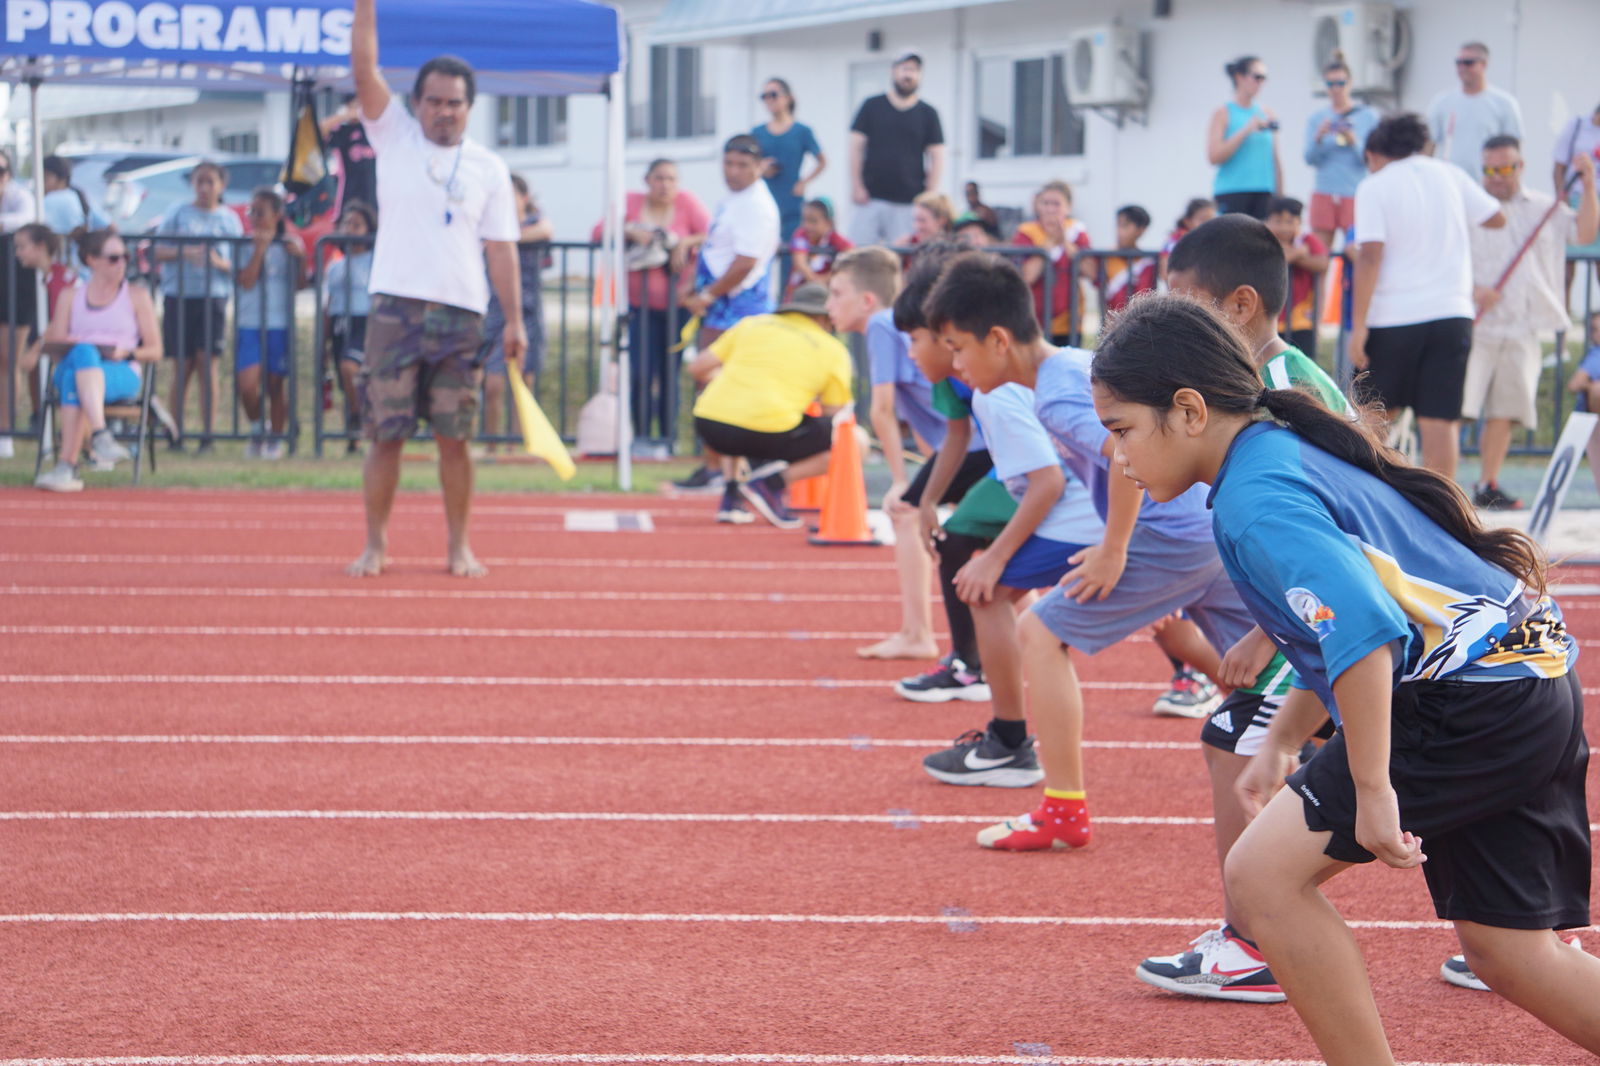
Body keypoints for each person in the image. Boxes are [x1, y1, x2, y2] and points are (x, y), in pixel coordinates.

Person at [1090, 292, 1597, 1066]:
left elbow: (1363, 634)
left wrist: (1372, 787)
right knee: (1510, 952)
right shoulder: (1277, 447)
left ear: (1188, 410)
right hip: (1526, 680)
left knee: (1261, 882)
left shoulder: (1254, 500)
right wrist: (1284, 739)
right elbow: (1339, 627)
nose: (1114, 455)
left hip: (1471, 702)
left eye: (1121, 429)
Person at [917, 252, 1256, 837]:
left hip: (1171, 534)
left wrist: (1114, 548)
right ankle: (1321, 762)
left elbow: (1127, 459)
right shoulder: (1071, 366)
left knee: (1040, 632)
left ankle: (1064, 808)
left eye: (957, 347)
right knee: (1254, 671)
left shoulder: (1055, 396)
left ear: (998, 340)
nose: (954, 364)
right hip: (1204, 526)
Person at [1138, 212, 1351, 1004]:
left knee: (1236, 733)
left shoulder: (1284, 391)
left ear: (1238, 307)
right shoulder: (1272, 376)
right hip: (1334, 616)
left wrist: (1268, 632)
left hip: (1355, 621)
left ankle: (1253, 940)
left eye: (1186, 304)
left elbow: (1337, 528)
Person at [346, 0, 524, 579]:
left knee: (455, 439)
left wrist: (515, 321)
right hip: (395, 309)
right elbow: (364, 67)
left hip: (461, 316)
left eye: (455, 102)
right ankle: (375, 544)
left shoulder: (489, 169)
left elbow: (501, 249)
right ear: (415, 103)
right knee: (386, 436)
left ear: (469, 107)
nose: (444, 111)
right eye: (434, 100)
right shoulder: (394, 136)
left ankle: (459, 547)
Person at [829, 244, 984, 661]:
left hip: (977, 444)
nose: (829, 305)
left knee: (907, 512)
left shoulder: (882, 324)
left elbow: (881, 409)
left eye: (836, 293)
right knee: (980, 539)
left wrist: (901, 481)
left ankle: (918, 633)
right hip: (970, 443)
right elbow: (925, 406)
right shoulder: (893, 327)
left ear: (867, 298)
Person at [1350, 112, 1506, 480]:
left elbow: (1370, 255)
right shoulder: (1449, 173)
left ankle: (1373, 498)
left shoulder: (1375, 185)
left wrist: (1358, 326)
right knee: (1440, 420)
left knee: (1373, 417)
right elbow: (1496, 217)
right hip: (1452, 313)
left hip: (1393, 315)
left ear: (1374, 153)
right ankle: (1445, 514)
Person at [891, 241, 1006, 703]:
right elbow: (955, 436)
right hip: (1018, 468)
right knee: (958, 540)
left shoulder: (1003, 375)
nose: (911, 354)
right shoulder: (952, 379)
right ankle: (970, 663)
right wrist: (926, 502)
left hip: (1055, 471)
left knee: (1142, 558)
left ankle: (1189, 669)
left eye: (916, 340)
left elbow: (1047, 471)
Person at [1466, 138, 1598, 509]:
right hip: (1477, 324)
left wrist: (1588, 185)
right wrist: (1473, 290)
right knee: (1458, 407)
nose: (1496, 177)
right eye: (1489, 169)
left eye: (1503, 168)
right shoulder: (1471, 209)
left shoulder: (1546, 206)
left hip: (1524, 325)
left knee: (1506, 410)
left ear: (1520, 166)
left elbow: (1585, 234)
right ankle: (1440, 485)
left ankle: (1486, 483)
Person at [688, 282, 852, 529]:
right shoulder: (833, 349)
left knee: (734, 413)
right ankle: (772, 483)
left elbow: (697, 368)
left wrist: (728, 380)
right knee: (853, 441)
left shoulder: (750, 325)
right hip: (769, 432)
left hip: (710, 425)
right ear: (824, 317)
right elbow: (835, 416)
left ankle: (731, 497)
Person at [673, 135, 781, 493]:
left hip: (736, 311)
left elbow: (746, 262)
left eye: (742, 165)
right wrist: (694, 284)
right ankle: (718, 466)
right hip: (722, 308)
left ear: (759, 166)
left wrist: (706, 294)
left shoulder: (756, 205)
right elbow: (717, 249)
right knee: (712, 387)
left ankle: (723, 469)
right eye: (728, 163)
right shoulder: (738, 200)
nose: (733, 171)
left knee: (716, 387)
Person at [595, 160, 710, 455]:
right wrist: (630, 230)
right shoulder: (630, 202)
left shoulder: (687, 203)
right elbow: (598, 232)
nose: (665, 184)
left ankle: (667, 439)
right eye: (659, 178)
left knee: (669, 373)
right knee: (641, 371)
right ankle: (642, 436)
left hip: (678, 306)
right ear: (647, 180)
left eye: (671, 178)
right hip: (639, 305)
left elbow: (713, 233)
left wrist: (685, 243)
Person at [34, 230, 161, 492]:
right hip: (74, 365)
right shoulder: (71, 296)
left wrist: (124, 353)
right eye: (114, 258)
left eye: (125, 257)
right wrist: (85, 346)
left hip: (120, 371)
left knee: (75, 374)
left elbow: (155, 350)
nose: (122, 263)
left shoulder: (136, 296)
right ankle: (100, 433)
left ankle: (66, 466)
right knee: (83, 353)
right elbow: (57, 342)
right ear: (92, 260)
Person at [151, 159, 241, 452]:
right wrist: (184, 252)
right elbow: (157, 250)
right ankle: (175, 433)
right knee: (182, 365)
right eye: (199, 181)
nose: (204, 188)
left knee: (207, 364)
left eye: (210, 181)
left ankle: (208, 435)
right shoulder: (178, 212)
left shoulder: (229, 219)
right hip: (179, 295)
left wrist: (218, 262)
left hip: (213, 296)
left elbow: (237, 262)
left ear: (221, 185)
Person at [479, 174, 553, 455]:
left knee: (525, 380)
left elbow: (546, 229)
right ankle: (491, 446)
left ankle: (518, 446)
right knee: (494, 382)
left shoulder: (536, 223)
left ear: (524, 197)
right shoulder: (489, 225)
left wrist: (507, 238)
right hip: (495, 310)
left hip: (530, 309)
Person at [236, 187, 306, 460]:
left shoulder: (289, 245)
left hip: (280, 323)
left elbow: (300, 285)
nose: (254, 217)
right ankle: (257, 427)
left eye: (260, 212)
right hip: (249, 322)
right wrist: (259, 251)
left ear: (277, 215)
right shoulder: (244, 245)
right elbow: (246, 281)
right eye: (251, 211)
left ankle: (276, 438)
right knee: (247, 385)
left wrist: (299, 258)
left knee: (276, 384)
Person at [848, 52, 945, 247]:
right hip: (872, 198)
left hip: (908, 202)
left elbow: (937, 155)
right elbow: (855, 148)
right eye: (904, 69)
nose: (908, 75)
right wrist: (857, 186)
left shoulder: (928, 113)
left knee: (902, 258)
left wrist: (929, 195)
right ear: (893, 72)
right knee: (859, 254)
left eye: (914, 70)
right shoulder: (871, 106)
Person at [751, 77, 826, 282]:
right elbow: (749, 165)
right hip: (766, 201)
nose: (769, 100)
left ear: (787, 98)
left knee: (790, 261)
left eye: (773, 95)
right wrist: (762, 168)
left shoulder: (801, 131)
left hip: (791, 203)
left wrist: (804, 182)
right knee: (759, 257)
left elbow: (821, 160)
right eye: (764, 96)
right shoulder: (758, 132)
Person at [1303, 55, 1380, 251]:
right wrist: (1319, 137)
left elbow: (1372, 160)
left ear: (1350, 83)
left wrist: (1353, 139)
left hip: (1353, 190)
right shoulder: (1317, 119)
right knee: (1320, 252)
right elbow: (1309, 158)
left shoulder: (1367, 116)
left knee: (1355, 250)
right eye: (1330, 84)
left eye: (1340, 83)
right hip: (1325, 190)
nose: (1335, 89)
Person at [323, 200, 376, 453]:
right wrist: (323, 339)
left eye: (357, 224)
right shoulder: (335, 265)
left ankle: (361, 418)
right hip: (340, 323)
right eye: (346, 223)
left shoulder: (375, 260)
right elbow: (327, 303)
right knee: (347, 381)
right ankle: (353, 438)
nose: (350, 229)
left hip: (364, 322)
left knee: (350, 367)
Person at [1428, 42, 1523, 176]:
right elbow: (1429, 145)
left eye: (1468, 62)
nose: (1462, 67)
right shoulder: (1442, 102)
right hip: (1451, 184)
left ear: (1484, 64)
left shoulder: (1504, 103)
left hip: (1489, 183)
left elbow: (1514, 149)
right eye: (1458, 62)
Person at [1012, 181, 1090, 343]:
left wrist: (1065, 243)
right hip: (1033, 320)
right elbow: (1027, 277)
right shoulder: (1026, 233)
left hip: (1069, 321)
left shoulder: (1076, 231)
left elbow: (1091, 271)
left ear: (1068, 208)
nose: (1050, 209)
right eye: (1045, 203)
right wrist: (1048, 246)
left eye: (1056, 204)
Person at [1208, 56, 1281, 219]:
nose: (1260, 83)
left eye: (1264, 78)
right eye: (1257, 77)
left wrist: (1280, 197)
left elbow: (1274, 159)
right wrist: (1246, 130)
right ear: (1239, 77)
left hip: (1264, 191)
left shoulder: (1268, 114)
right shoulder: (1223, 113)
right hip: (1232, 191)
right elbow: (1214, 156)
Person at [1264, 197, 1330, 359]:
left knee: (1302, 365)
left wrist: (1294, 256)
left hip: (1301, 319)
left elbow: (1322, 263)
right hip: (1270, 319)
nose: (1284, 227)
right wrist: (1299, 253)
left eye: (1290, 221)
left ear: (1299, 222)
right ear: (1267, 221)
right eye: (1278, 221)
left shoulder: (1307, 239)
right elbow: (1273, 260)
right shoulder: (1262, 240)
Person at [0, 149, 32, 459]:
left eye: (2, 170)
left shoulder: (20, 197)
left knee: (8, 361)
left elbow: (26, 220)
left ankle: (6, 430)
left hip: (14, 290)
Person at [1553, 103, 1600, 301]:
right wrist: (1561, 199)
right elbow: (1559, 166)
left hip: (1596, 201)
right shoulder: (1577, 125)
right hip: (1574, 200)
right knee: (1566, 268)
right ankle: (1562, 324)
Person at [321, 94, 379, 213]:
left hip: (374, 197)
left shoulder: (375, 129)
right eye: (357, 104)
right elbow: (321, 128)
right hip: (348, 196)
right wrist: (346, 115)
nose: (361, 108)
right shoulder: (342, 131)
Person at [786, 199, 852, 297]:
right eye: (804, 220)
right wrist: (815, 281)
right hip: (797, 294)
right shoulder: (801, 234)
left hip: (822, 296)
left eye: (813, 221)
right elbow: (800, 262)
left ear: (829, 223)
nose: (807, 225)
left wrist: (828, 278)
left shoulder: (833, 237)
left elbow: (851, 253)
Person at [1100, 205, 1156, 313]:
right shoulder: (1106, 257)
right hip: (1111, 324)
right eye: (1118, 225)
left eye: (1125, 226)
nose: (1119, 231)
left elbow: (1143, 296)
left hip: (1135, 323)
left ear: (1141, 230)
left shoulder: (1147, 263)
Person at [1158, 197, 1216, 284]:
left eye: (1212, 220)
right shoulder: (1174, 242)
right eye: (1203, 219)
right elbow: (1165, 273)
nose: (1208, 224)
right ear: (1187, 221)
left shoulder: (1213, 242)